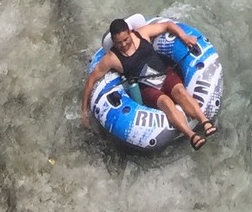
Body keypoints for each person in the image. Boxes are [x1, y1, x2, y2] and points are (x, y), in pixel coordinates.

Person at [82, 17, 216, 149]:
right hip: (147, 88)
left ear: (129, 33)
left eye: (125, 39)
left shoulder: (141, 34)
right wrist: (84, 109)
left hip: (164, 74)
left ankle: (205, 122)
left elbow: (167, 25)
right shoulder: (111, 58)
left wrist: (184, 37)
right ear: (113, 41)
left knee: (180, 92)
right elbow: (91, 80)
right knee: (166, 103)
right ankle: (191, 136)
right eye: (118, 42)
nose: (123, 45)